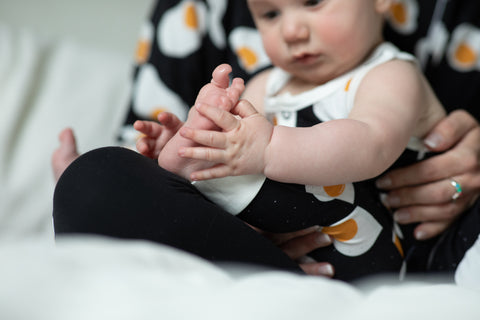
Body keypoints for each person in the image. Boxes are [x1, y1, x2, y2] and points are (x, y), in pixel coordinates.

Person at [52, 0, 480, 279]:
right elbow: (235, 171)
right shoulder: (263, 86)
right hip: (291, 259)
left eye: (313, 3)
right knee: (99, 177)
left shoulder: (391, 73)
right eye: (270, 15)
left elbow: (369, 144)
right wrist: (188, 147)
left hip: (401, 248)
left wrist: (267, 149)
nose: (292, 30)